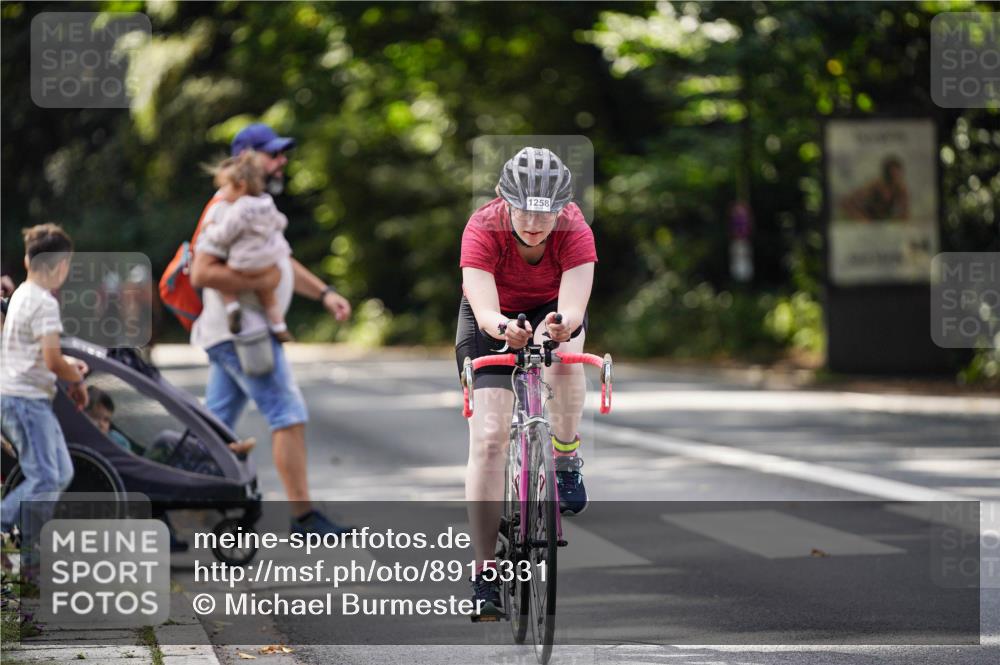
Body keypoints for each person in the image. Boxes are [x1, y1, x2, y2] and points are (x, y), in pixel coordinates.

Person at [189, 123, 353, 537]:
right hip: (245, 335)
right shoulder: (226, 207)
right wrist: (258, 285)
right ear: (245, 158)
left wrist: (325, 293)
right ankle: (304, 519)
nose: (281, 162)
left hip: (237, 334)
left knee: (215, 424)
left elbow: (282, 262)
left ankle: (166, 505)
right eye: (273, 154)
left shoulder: (255, 205)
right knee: (288, 414)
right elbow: (203, 272)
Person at [456, 147, 597, 617]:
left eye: (548, 214)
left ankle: (565, 455)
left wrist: (557, 329)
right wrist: (504, 332)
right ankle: (484, 573)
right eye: (524, 212)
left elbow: (573, 309)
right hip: (492, 316)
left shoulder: (575, 228)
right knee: (491, 437)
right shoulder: (482, 227)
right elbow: (483, 308)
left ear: (563, 208)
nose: (536, 225)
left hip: (551, 309)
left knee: (563, 357)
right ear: (503, 200)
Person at [0, 225, 88, 567]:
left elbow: (42, 354)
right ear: (61, 265)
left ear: (27, 259)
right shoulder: (44, 304)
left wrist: (70, 372)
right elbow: (53, 359)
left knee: (60, 472)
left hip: (25, 398)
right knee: (45, 477)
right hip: (25, 402)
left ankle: (30, 554)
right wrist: (75, 375)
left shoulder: (22, 293)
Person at [203, 152, 293, 342]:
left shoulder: (237, 209)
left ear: (241, 185)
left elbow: (224, 235)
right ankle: (279, 325)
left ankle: (232, 308)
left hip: (244, 262)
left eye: (224, 186)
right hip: (268, 261)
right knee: (267, 294)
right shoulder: (267, 202)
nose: (222, 192)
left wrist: (210, 227)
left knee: (222, 280)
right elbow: (281, 222)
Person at [839, 155, 910, 222]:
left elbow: (905, 213)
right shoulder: (876, 186)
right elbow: (846, 202)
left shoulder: (900, 189)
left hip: (883, 222)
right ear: (886, 174)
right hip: (869, 219)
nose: (895, 178)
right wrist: (861, 218)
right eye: (891, 175)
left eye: (897, 175)